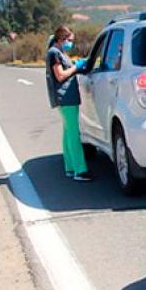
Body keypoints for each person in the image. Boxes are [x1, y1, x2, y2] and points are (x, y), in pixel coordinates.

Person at [45, 26, 93, 182]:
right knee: (73, 134)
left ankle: (70, 168)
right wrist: (75, 67)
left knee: (67, 133)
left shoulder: (58, 52)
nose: (71, 43)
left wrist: (77, 67)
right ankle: (80, 170)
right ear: (62, 39)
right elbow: (60, 76)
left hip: (66, 97)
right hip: (65, 97)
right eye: (70, 40)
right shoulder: (54, 53)